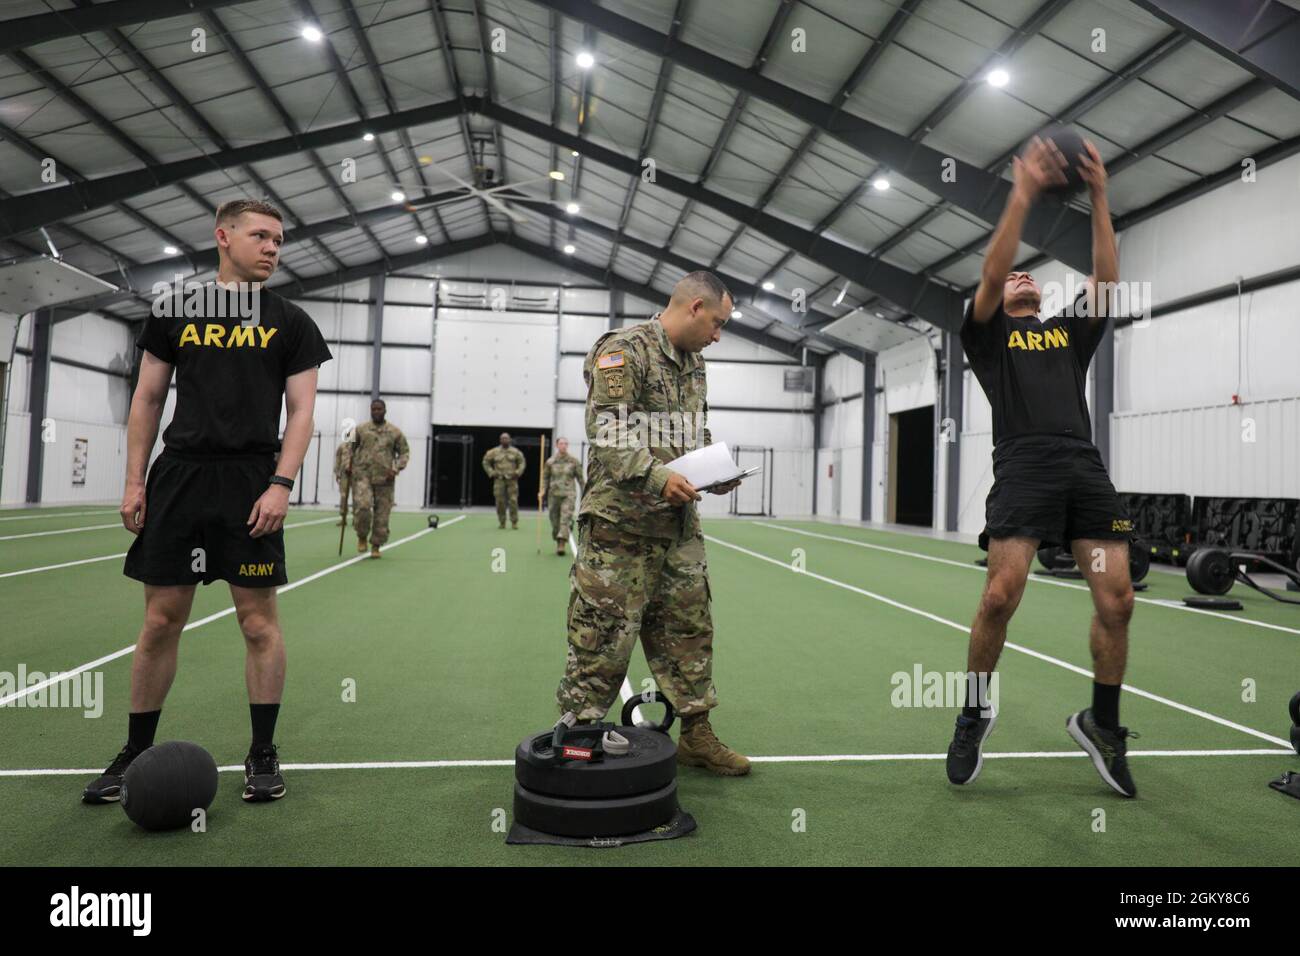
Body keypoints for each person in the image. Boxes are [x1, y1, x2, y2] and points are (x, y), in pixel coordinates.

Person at [85, 198, 332, 805]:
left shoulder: (291, 321)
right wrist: (134, 480)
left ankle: (263, 754)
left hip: (251, 483)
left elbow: (301, 411)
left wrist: (281, 483)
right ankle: (135, 753)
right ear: (223, 237)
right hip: (181, 479)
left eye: (279, 239)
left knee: (257, 623)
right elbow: (147, 399)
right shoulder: (173, 311)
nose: (273, 248)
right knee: (161, 622)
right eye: (261, 237)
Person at [947, 135, 1137, 797]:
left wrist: (1101, 195)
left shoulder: (1065, 334)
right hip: (1024, 465)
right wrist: (1023, 193)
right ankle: (973, 711)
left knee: (1119, 600)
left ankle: (1103, 723)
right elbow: (993, 275)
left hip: (1082, 466)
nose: (1024, 277)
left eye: (1033, 275)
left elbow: (1106, 282)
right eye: (1015, 279)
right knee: (1000, 596)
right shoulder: (988, 335)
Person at [556, 271, 748, 776]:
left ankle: (697, 736)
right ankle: (577, 735)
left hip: (678, 528)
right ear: (695, 307)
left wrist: (715, 471)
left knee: (690, 629)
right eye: (717, 323)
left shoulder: (695, 365)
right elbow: (608, 431)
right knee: (601, 635)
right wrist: (656, 476)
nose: (718, 335)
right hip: (620, 528)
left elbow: (690, 431)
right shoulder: (624, 351)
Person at [350, 399, 410, 558]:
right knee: (363, 506)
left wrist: (396, 469)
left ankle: (376, 545)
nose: (376, 412)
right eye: (373, 409)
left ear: (385, 410)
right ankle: (361, 535)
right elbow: (349, 449)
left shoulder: (394, 432)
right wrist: (348, 467)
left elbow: (404, 452)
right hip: (363, 476)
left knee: (382, 514)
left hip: (385, 479)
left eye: (379, 409)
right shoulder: (360, 429)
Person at [541, 437, 583, 555]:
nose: (563, 445)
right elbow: (545, 478)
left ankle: (561, 544)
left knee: (564, 518)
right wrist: (542, 490)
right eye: (561, 443)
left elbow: (580, 479)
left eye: (565, 443)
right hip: (553, 495)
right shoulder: (550, 462)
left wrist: (585, 491)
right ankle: (561, 533)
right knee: (554, 522)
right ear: (557, 445)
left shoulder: (574, 461)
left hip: (568, 495)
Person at [482, 432, 525, 529]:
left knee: (513, 501)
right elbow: (485, 462)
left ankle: (514, 522)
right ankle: (502, 522)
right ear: (500, 440)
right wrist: (491, 472)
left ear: (510, 440)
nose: (505, 440)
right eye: (503, 438)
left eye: (507, 438)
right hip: (499, 480)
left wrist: (518, 472)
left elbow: (522, 462)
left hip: (512, 481)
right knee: (500, 502)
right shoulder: (494, 451)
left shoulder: (515, 452)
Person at [334, 437, 352, 527]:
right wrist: (337, 473)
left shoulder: (360, 447)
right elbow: (338, 459)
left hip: (357, 474)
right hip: (345, 474)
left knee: (358, 497)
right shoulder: (342, 446)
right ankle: (343, 518)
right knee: (343, 496)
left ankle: (358, 520)